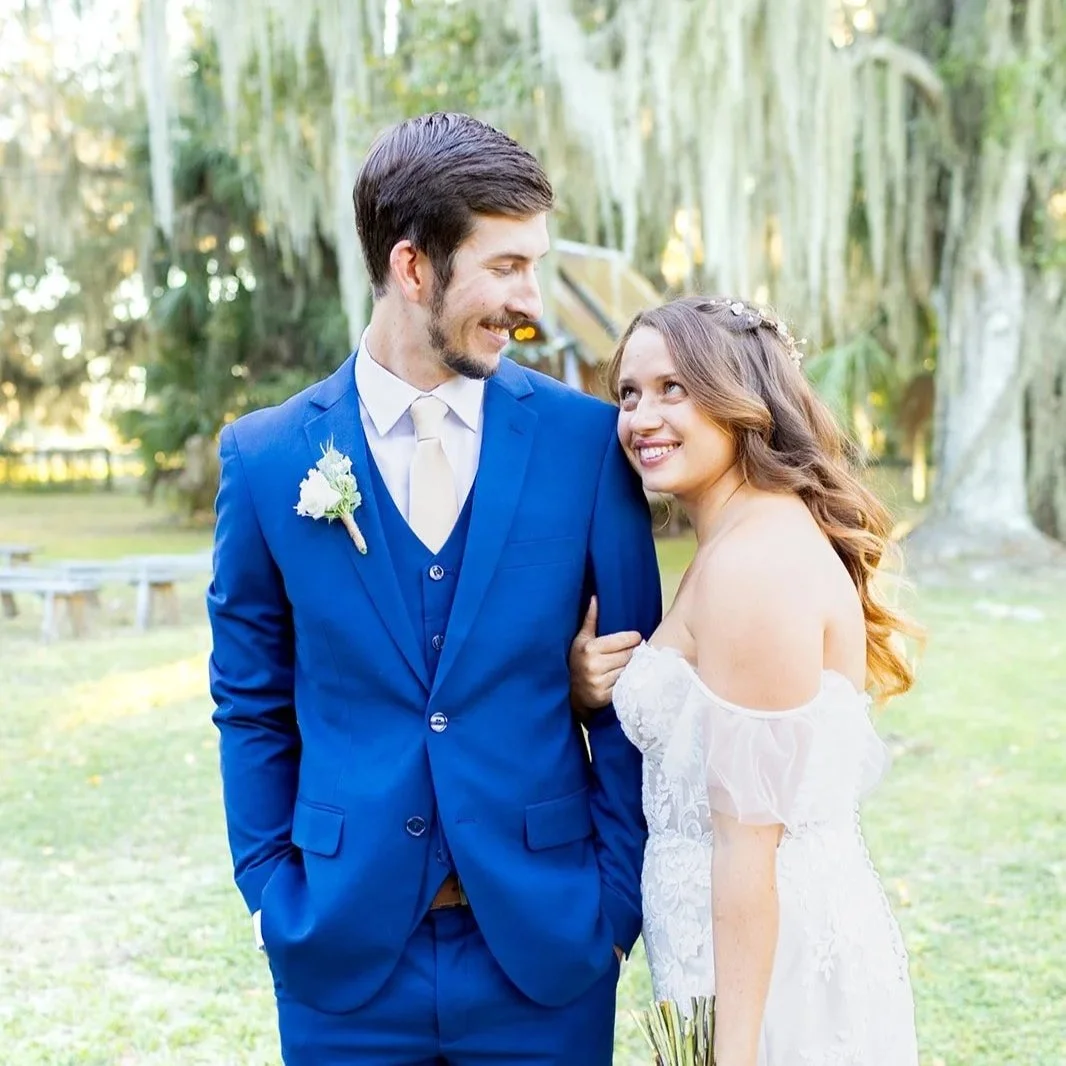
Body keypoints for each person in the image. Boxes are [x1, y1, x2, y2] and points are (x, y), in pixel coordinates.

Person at [205, 111, 662, 1065]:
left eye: (534, 265)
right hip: (340, 955)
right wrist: (270, 892)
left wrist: (613, 904)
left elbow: (634, 694)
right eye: (505, 267)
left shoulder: (586, 447)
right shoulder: (265, 457)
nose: (529, 301)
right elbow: (249, 703)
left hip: (546, 951)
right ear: (413, 269)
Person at [570, 295, 921, 1066]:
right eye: (628, 393)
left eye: (674, 389)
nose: (641, 418)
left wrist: (732, 1055)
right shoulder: (737, 536)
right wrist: (594, 687)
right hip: (721, 957)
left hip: (771, 981)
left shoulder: (755, 563)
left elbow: (747, 848)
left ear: (743, 400)